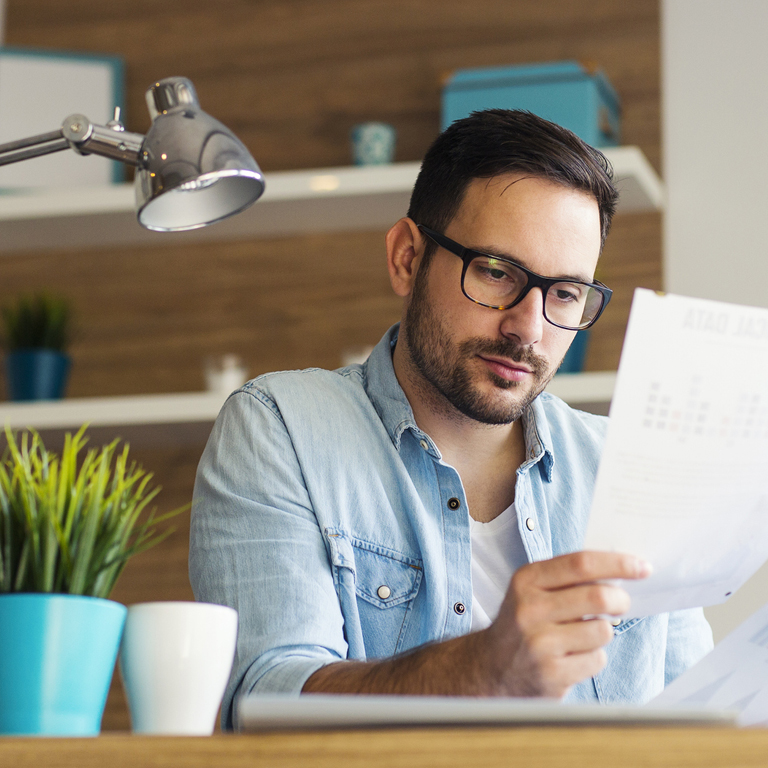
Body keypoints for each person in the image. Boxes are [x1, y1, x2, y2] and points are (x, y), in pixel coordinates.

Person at [190, 109, 713, 730]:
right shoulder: (281, 429)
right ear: (407, 258)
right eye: (496, 272)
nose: (528, 327)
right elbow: (263, 704)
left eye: (566, 293)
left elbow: (697, 719)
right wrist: (479, 671)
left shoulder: (628, 468)